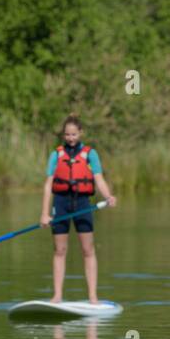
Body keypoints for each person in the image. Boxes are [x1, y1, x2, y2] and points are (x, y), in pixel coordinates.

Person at [39, 115, 116, 305]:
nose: (70, 138)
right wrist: (44, 213)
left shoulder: (91, 154)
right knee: (59, 250)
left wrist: (108, 196)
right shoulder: (56, 155)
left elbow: (98, 179)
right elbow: (48, 185)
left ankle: (92, 296)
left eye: (74, 134)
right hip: (61, 203)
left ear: (80, 133)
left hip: (83, 204)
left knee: (88, 249)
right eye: (67, 134)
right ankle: (57, 296)